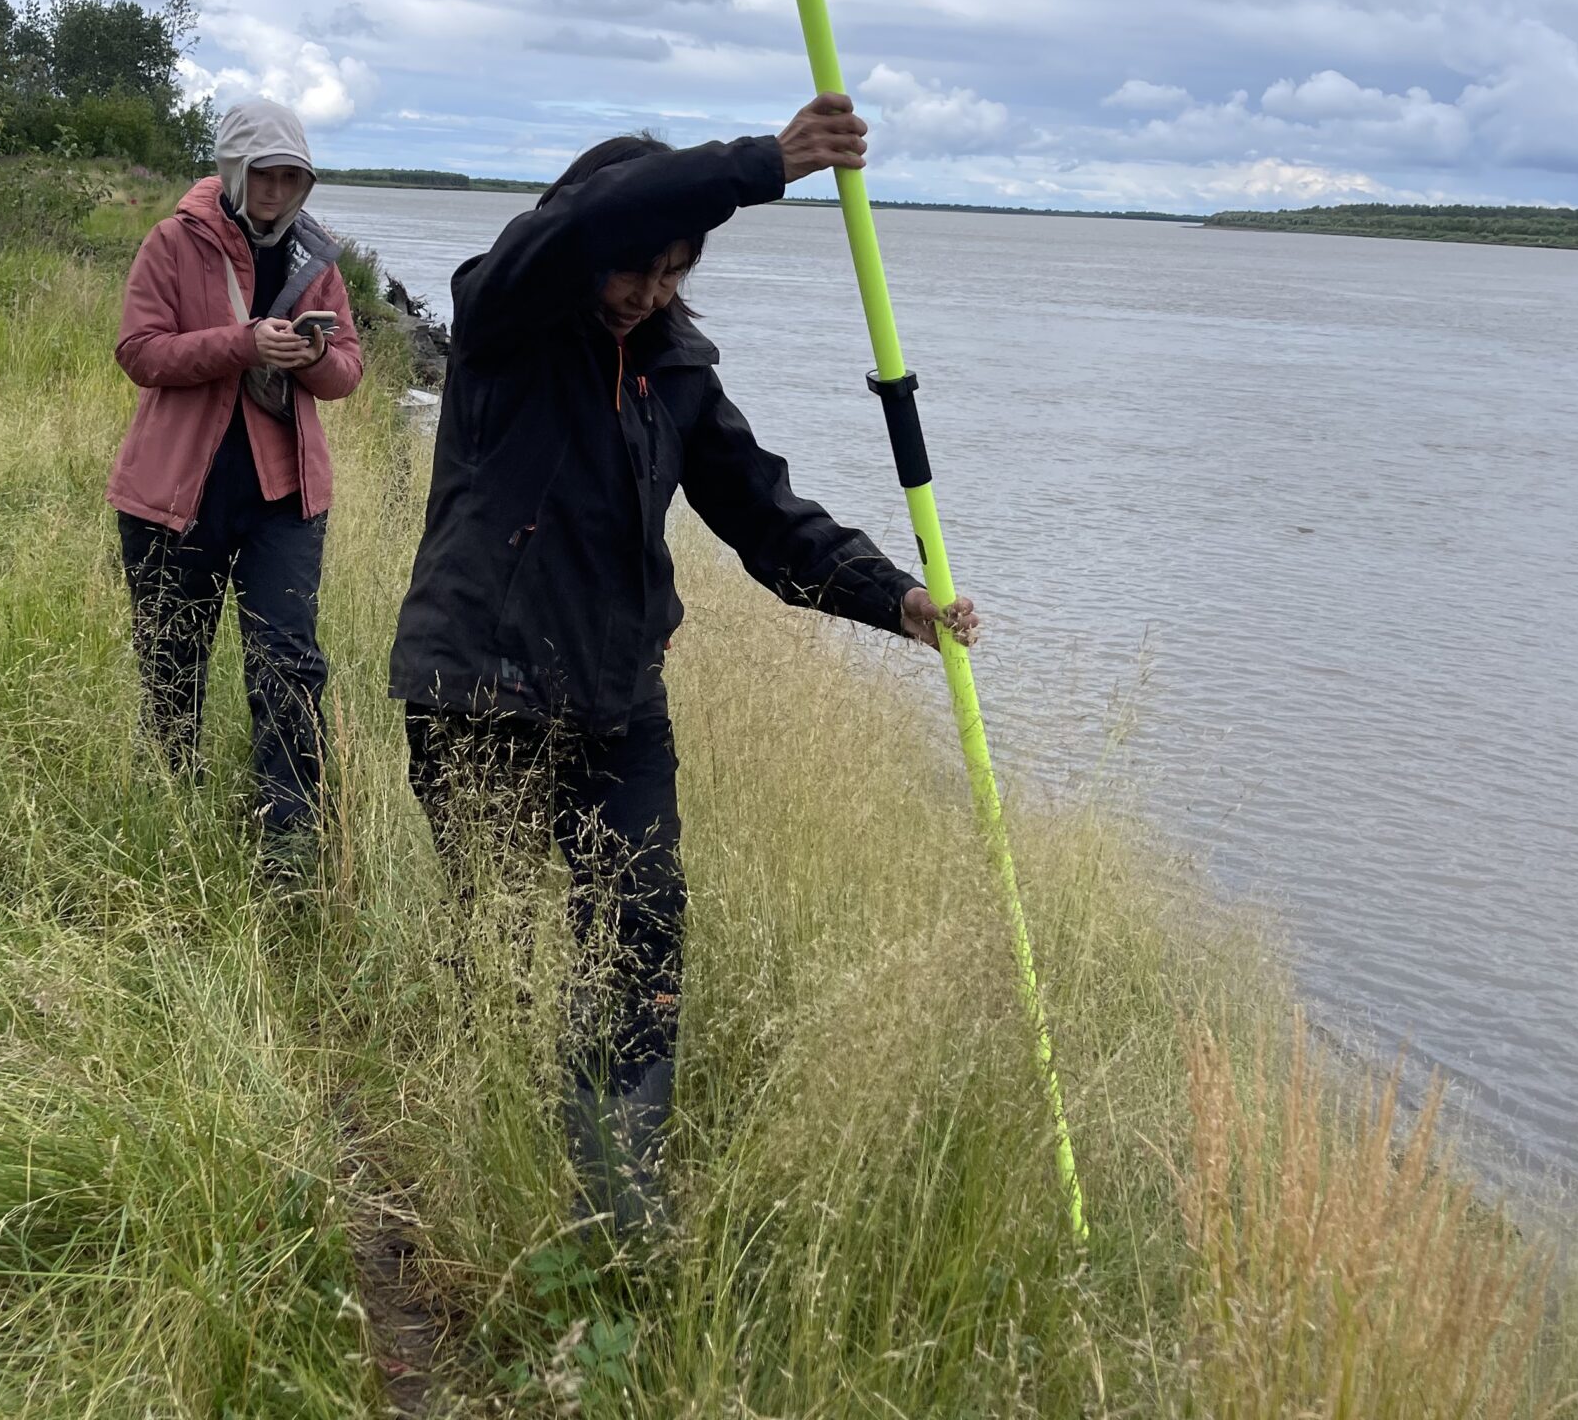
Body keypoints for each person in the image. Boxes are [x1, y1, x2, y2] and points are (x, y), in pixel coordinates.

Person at [387, 91, 978, 1231]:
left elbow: (763, 513)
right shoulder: (505, 311)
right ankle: (479, 1182)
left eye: (671, 271)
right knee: (497, 941)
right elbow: (592, 216)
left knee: (641, 937)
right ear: (585, 241)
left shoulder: (676, 368)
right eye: (633, 267)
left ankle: (619, 1196)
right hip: (478, 687)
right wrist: (770, 161)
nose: (646, 292)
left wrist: (890, 597)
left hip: (617, 701)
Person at [107, 98, 365, 860]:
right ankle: (166, 820)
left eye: (293, 178)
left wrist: (311, 358)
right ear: (233, 169)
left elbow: (348, 369)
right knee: (171, 665)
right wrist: (241, 345)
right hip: (171, 497)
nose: (278, 193)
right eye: (266, 176)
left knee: (288, 665)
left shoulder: (317, 257)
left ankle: (291, 845)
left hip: (283, 503)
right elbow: (139, 352)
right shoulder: (172, 242)